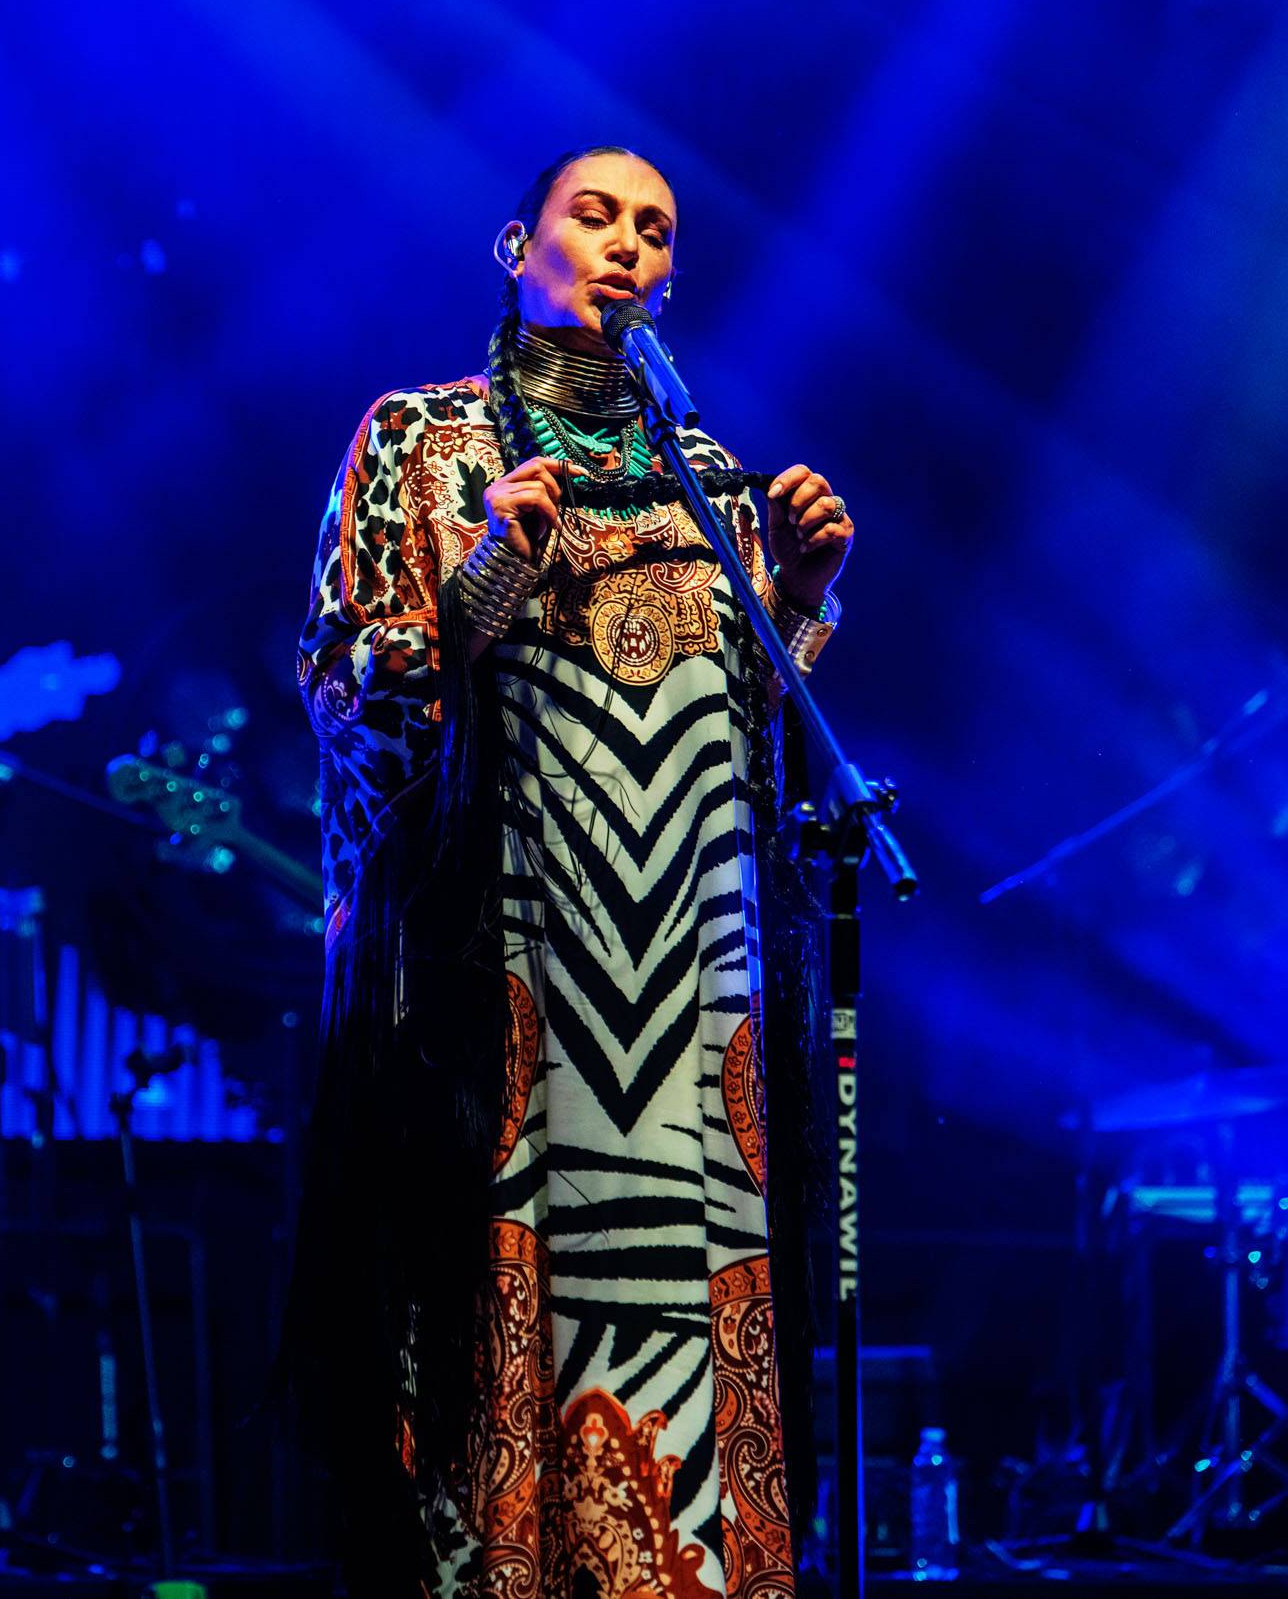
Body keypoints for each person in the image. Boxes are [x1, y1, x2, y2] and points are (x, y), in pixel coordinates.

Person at [286, 146, 856, 1597]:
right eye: (592, 216)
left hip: (684, 1007)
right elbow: (344, 694)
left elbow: (752, 761)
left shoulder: (707, 483)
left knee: (686, 1314)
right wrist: (482, 581)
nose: (624, 246)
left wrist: (796, 600)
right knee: (491, 1337)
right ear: (515, 245)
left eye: (653, 230)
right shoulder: (423, 440)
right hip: (497, 996)